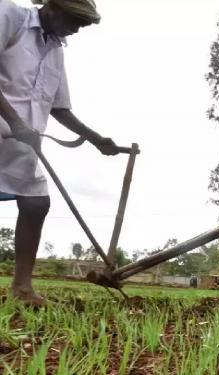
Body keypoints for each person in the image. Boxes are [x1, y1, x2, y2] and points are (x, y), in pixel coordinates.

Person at [0, 0, 120, 305]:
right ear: (52, 7)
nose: (77, 30)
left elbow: (59, 107)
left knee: (37, 202)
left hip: (22, 140)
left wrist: (95, 138)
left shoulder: (55, 49)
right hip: (12, 128)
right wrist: (14, 121)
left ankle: (22, 290)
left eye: (83, 24)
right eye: (75, 21)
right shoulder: (10, 17)